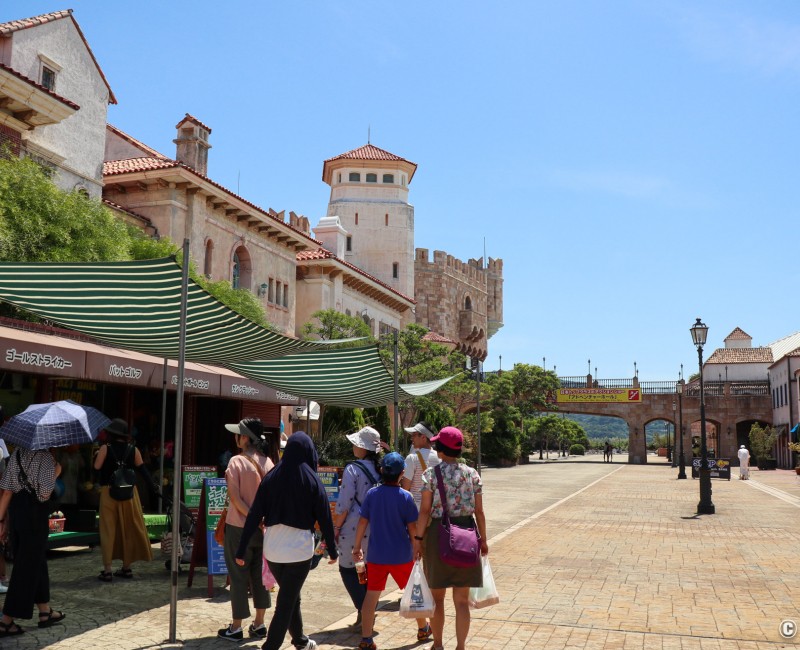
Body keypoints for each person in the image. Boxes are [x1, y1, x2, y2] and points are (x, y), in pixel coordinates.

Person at [236, 431, 338, 650]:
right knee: (286, 602)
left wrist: (241, 549)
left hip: (272, 549)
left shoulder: (271, 477)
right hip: (299, 551)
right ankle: (270, 646)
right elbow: (325, 519)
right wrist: (333, 550)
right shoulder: (312, 479)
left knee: (291, 596)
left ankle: (300, 640)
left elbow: (254, 515)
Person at [417, 427, 488, 650]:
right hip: (467, 535)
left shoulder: (430, 475)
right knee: (462, 601)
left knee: (438, 599)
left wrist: (417, 540)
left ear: (441, 448)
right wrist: (483, 540)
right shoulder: (472, 474)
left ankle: (437, 644)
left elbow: (425, 511)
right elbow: (480, 511)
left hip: (439, 536)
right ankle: (460, 646)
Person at [352, 452, 431, 650]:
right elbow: (412, 528)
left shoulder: (372, 494)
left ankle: (366, 638)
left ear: (381, 470)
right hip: (402, 556)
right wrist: (417, 548)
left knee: (372, 596)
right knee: (414, 595)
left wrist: (356, 547)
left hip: (377, 556)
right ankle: (423, 629)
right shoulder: (406, 497)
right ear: (402, 473)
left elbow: (362, 522)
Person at [218, 418, 280, 642]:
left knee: (238, 576)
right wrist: (261, 520)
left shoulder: (235, 462)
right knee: (260, 577)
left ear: (245, 438)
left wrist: (252, 518)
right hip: (264, 530)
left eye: (238, 434)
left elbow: (235, 499)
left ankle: (236, 627)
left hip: (239, 528)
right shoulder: (269, 463)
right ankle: (259, 624)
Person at [0, 447, 65, 637]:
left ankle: (45, 611)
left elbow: (6, 492)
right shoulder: (45, 457)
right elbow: (44, 493)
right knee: (26, 567)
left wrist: (1, 520)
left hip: (17, 514)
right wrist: (57, 471)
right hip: (35, 515)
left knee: (35, 561)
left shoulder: (17, 454)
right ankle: (6, 621)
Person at [332, 426, 382, 627]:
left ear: (363, 448)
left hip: (354, 526)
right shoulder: (382, 469)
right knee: (369, 570)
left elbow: (344, 503)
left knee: (348, 569)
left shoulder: (353, 469)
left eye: (356, 443)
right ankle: (367, 613)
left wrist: (336, 527)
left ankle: (364, 611)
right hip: (377, 526)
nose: (353, 446)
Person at [93, 418, 153, 581]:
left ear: (111, 434)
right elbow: (143, 470)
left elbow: (97, 467)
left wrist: (97, 455)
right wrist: (154, 487)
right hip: (130, 494)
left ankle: (107, 570)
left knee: (108, 530)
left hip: (109, 492)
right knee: (128, 529)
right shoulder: (134, 450)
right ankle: (126, 567)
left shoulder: (105, 448)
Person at [401, 422, 440, 510]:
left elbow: (405, 489)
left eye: (414, 435)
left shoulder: (412, 458)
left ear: (423, 437)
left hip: (416, 510)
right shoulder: (439, 457)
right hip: (435, 510)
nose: (411, 438)